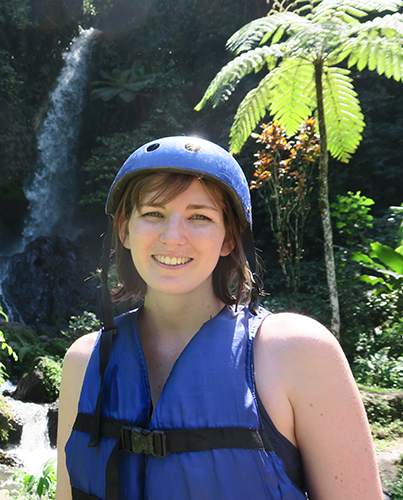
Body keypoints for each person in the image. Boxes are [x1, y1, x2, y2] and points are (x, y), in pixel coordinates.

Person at [56, 136, 382, 499]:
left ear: (229, 238)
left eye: (199, 217)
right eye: (153, 214)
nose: (172, 236)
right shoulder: (85, 361)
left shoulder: (296, 352)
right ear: (124, 229)